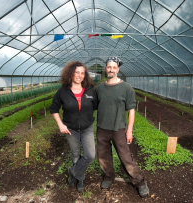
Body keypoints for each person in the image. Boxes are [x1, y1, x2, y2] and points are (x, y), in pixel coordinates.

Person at [95, 57, 149, 198]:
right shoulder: (99, 88)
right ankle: (108, 176)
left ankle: (139, 182)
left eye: (114, 67)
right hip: (102, 128)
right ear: (105, 69)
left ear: (118, 69)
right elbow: (93, 106)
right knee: (103, 156)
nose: (111, 69)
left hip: (118, 129)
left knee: (125, 157)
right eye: (109, 67)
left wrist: (129, 130)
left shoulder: (126, 88)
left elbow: (131, 111)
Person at [50, 61, 97, 193]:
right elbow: (54, 108)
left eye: (82, 73)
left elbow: (95, 106)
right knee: (75, 154)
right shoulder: (63, 92)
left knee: (90, 155)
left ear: (85, 75)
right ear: (70, 73)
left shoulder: (90, 90)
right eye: (77, 72)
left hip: (87, 128)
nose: (79, 75)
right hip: (71, 129)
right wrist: (60, 124)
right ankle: (80, 179)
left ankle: (73, 172)